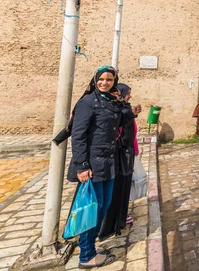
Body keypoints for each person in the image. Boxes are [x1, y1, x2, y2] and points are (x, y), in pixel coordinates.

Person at [66, 66, 137, 268]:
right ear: (95, 80)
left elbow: (124, 120)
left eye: (109, 79)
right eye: (101, 79)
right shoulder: (87, 103)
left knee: (103, 207)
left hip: (108, 163)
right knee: (91, 210)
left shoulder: (109, 102)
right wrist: (81, 166)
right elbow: (78, 136)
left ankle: (90, 248)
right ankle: (86, 255)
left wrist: (124, 104)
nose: (105, 82)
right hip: (92, 166)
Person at [99, 83, 142, 240]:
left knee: (123, 188)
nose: (129, 95)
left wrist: (134, 149)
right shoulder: (117, 110)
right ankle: (112, 223)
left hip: (127, 153)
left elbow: (133, 132)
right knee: (116, 189)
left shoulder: (125, 109)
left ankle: (121, 218)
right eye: (127, 93)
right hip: (119, 154)